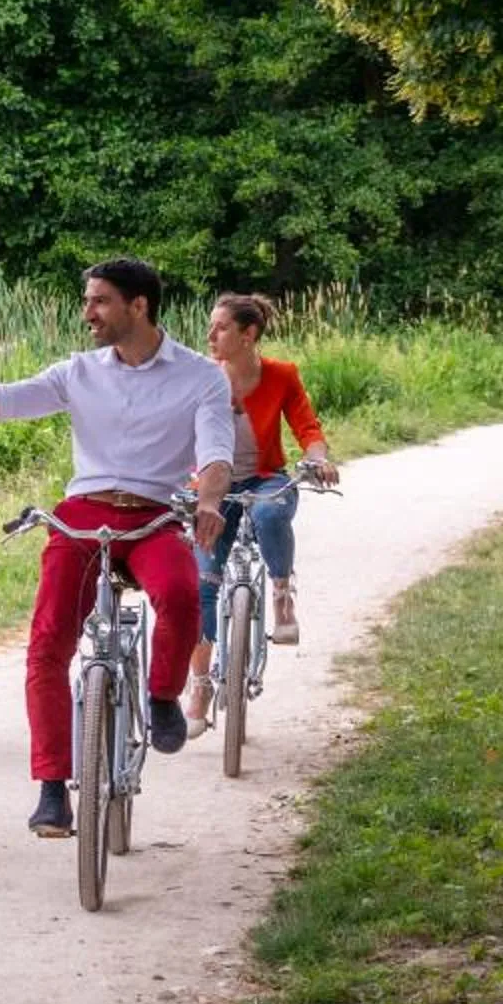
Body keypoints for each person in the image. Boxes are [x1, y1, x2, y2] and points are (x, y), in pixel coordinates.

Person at [0, 258, 232, 838]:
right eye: (87, 300)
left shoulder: (199, 377)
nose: (87, 313)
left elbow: (215, 454)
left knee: (182, 591)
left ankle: (163, 695)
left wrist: (211, 501)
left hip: (156, 514)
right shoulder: (79, 371)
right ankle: (51, 788)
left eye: (99, 301)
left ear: (137, 306)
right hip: (83, 514)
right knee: (47, 643)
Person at [183, 293, 338, 731]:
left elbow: (307, 427)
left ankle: (282, 594)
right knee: (204, 583)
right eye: (211, 327)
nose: (211, 335)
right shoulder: (202, 379)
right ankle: (200, 684)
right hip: (215, 486)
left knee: (271, 512)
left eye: (222, 328)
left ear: (248, 335)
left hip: (266, 477)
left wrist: (319, 458)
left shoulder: (281, 375)